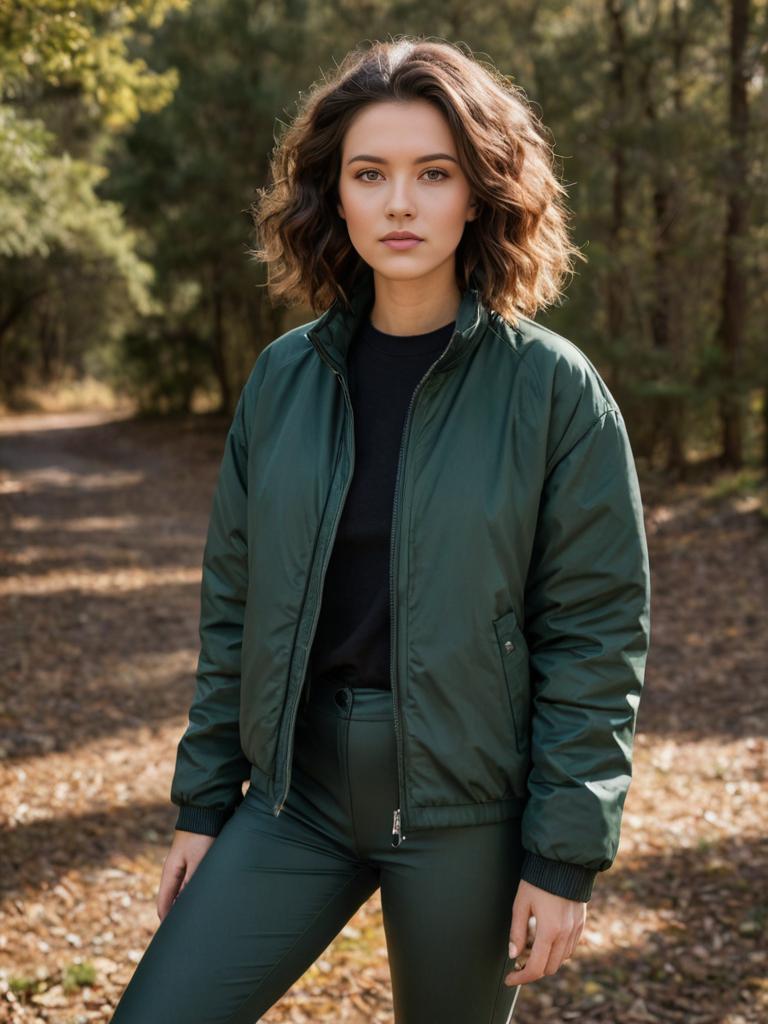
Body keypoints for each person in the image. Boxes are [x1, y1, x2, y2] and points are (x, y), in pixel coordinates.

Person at [110, 35, 651, 1024]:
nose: (400, 203)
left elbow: (595, 635)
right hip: (295, 801)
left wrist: (563, 855)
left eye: (433, 173)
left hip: (467, 814)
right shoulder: (283, 379)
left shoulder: (552, 389)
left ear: (479, 192)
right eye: (371, 174)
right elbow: (235, 604)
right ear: (336, 195)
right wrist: (201, 806)